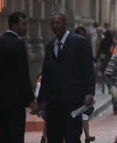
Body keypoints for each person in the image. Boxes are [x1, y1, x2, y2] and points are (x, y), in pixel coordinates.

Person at [37, 14, 95, 143]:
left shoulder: (80, 42)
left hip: (72, 102)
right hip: (53, 104)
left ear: (66, 24)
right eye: (52, 23)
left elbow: (88, 70)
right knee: (53, 137)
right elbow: (46, 75)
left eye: (58, 23)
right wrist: (40, 100)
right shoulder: (50, 46)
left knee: (72, 137)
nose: (55, 26)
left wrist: (90, 92)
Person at [0, 12, 36, 143]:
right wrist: (31, 99)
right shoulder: (18, 44)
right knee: (16, 134)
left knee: (4, 131)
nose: (26, 27)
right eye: (23, 24)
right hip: (15, 99)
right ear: (14, 24)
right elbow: (23, 74)